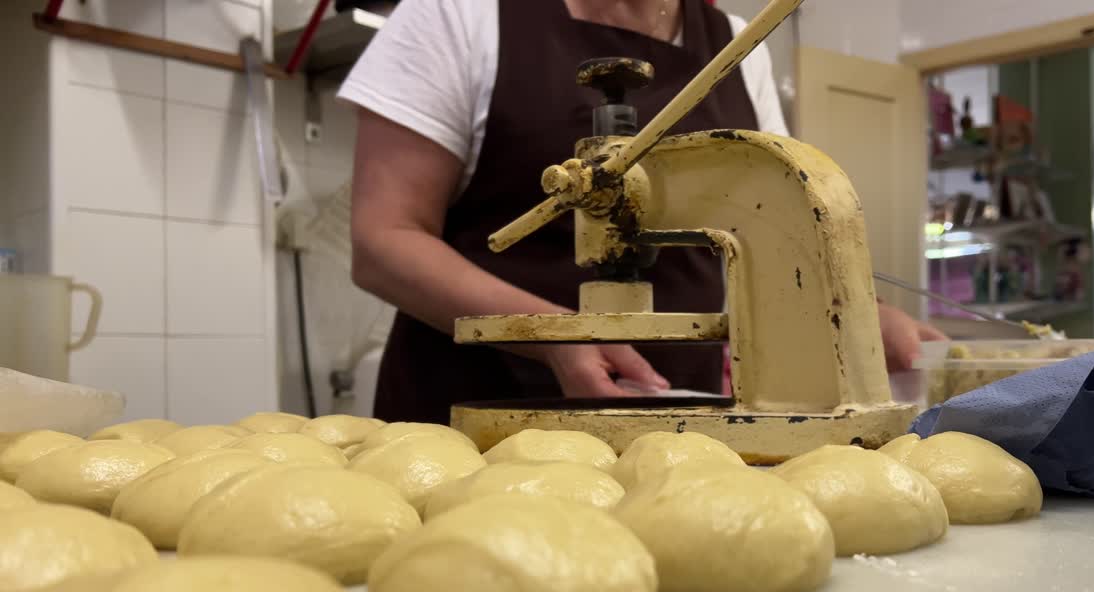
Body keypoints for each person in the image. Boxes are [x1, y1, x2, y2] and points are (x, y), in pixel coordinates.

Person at [341, 0, 944, 424]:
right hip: (472, 420)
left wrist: (862, 312)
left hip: (684, 416)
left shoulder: (740, 46)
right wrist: (557, 339)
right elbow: (384, 239)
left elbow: (779, 227)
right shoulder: (458, 14)